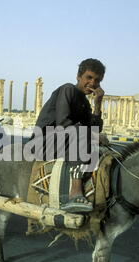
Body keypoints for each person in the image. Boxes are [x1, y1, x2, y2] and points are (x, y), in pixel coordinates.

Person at [30, 58, 107, 213]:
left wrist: (98, 104)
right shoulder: (68, 90)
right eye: (89, 77)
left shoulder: (84, 102)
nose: (92, 83)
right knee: (79, 131)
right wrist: (92, 136)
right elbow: (63, 124)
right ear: (78, 76)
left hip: (63, 142)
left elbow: (93, 131)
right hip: (42, 142)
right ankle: (75, 191)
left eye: (97, 80)